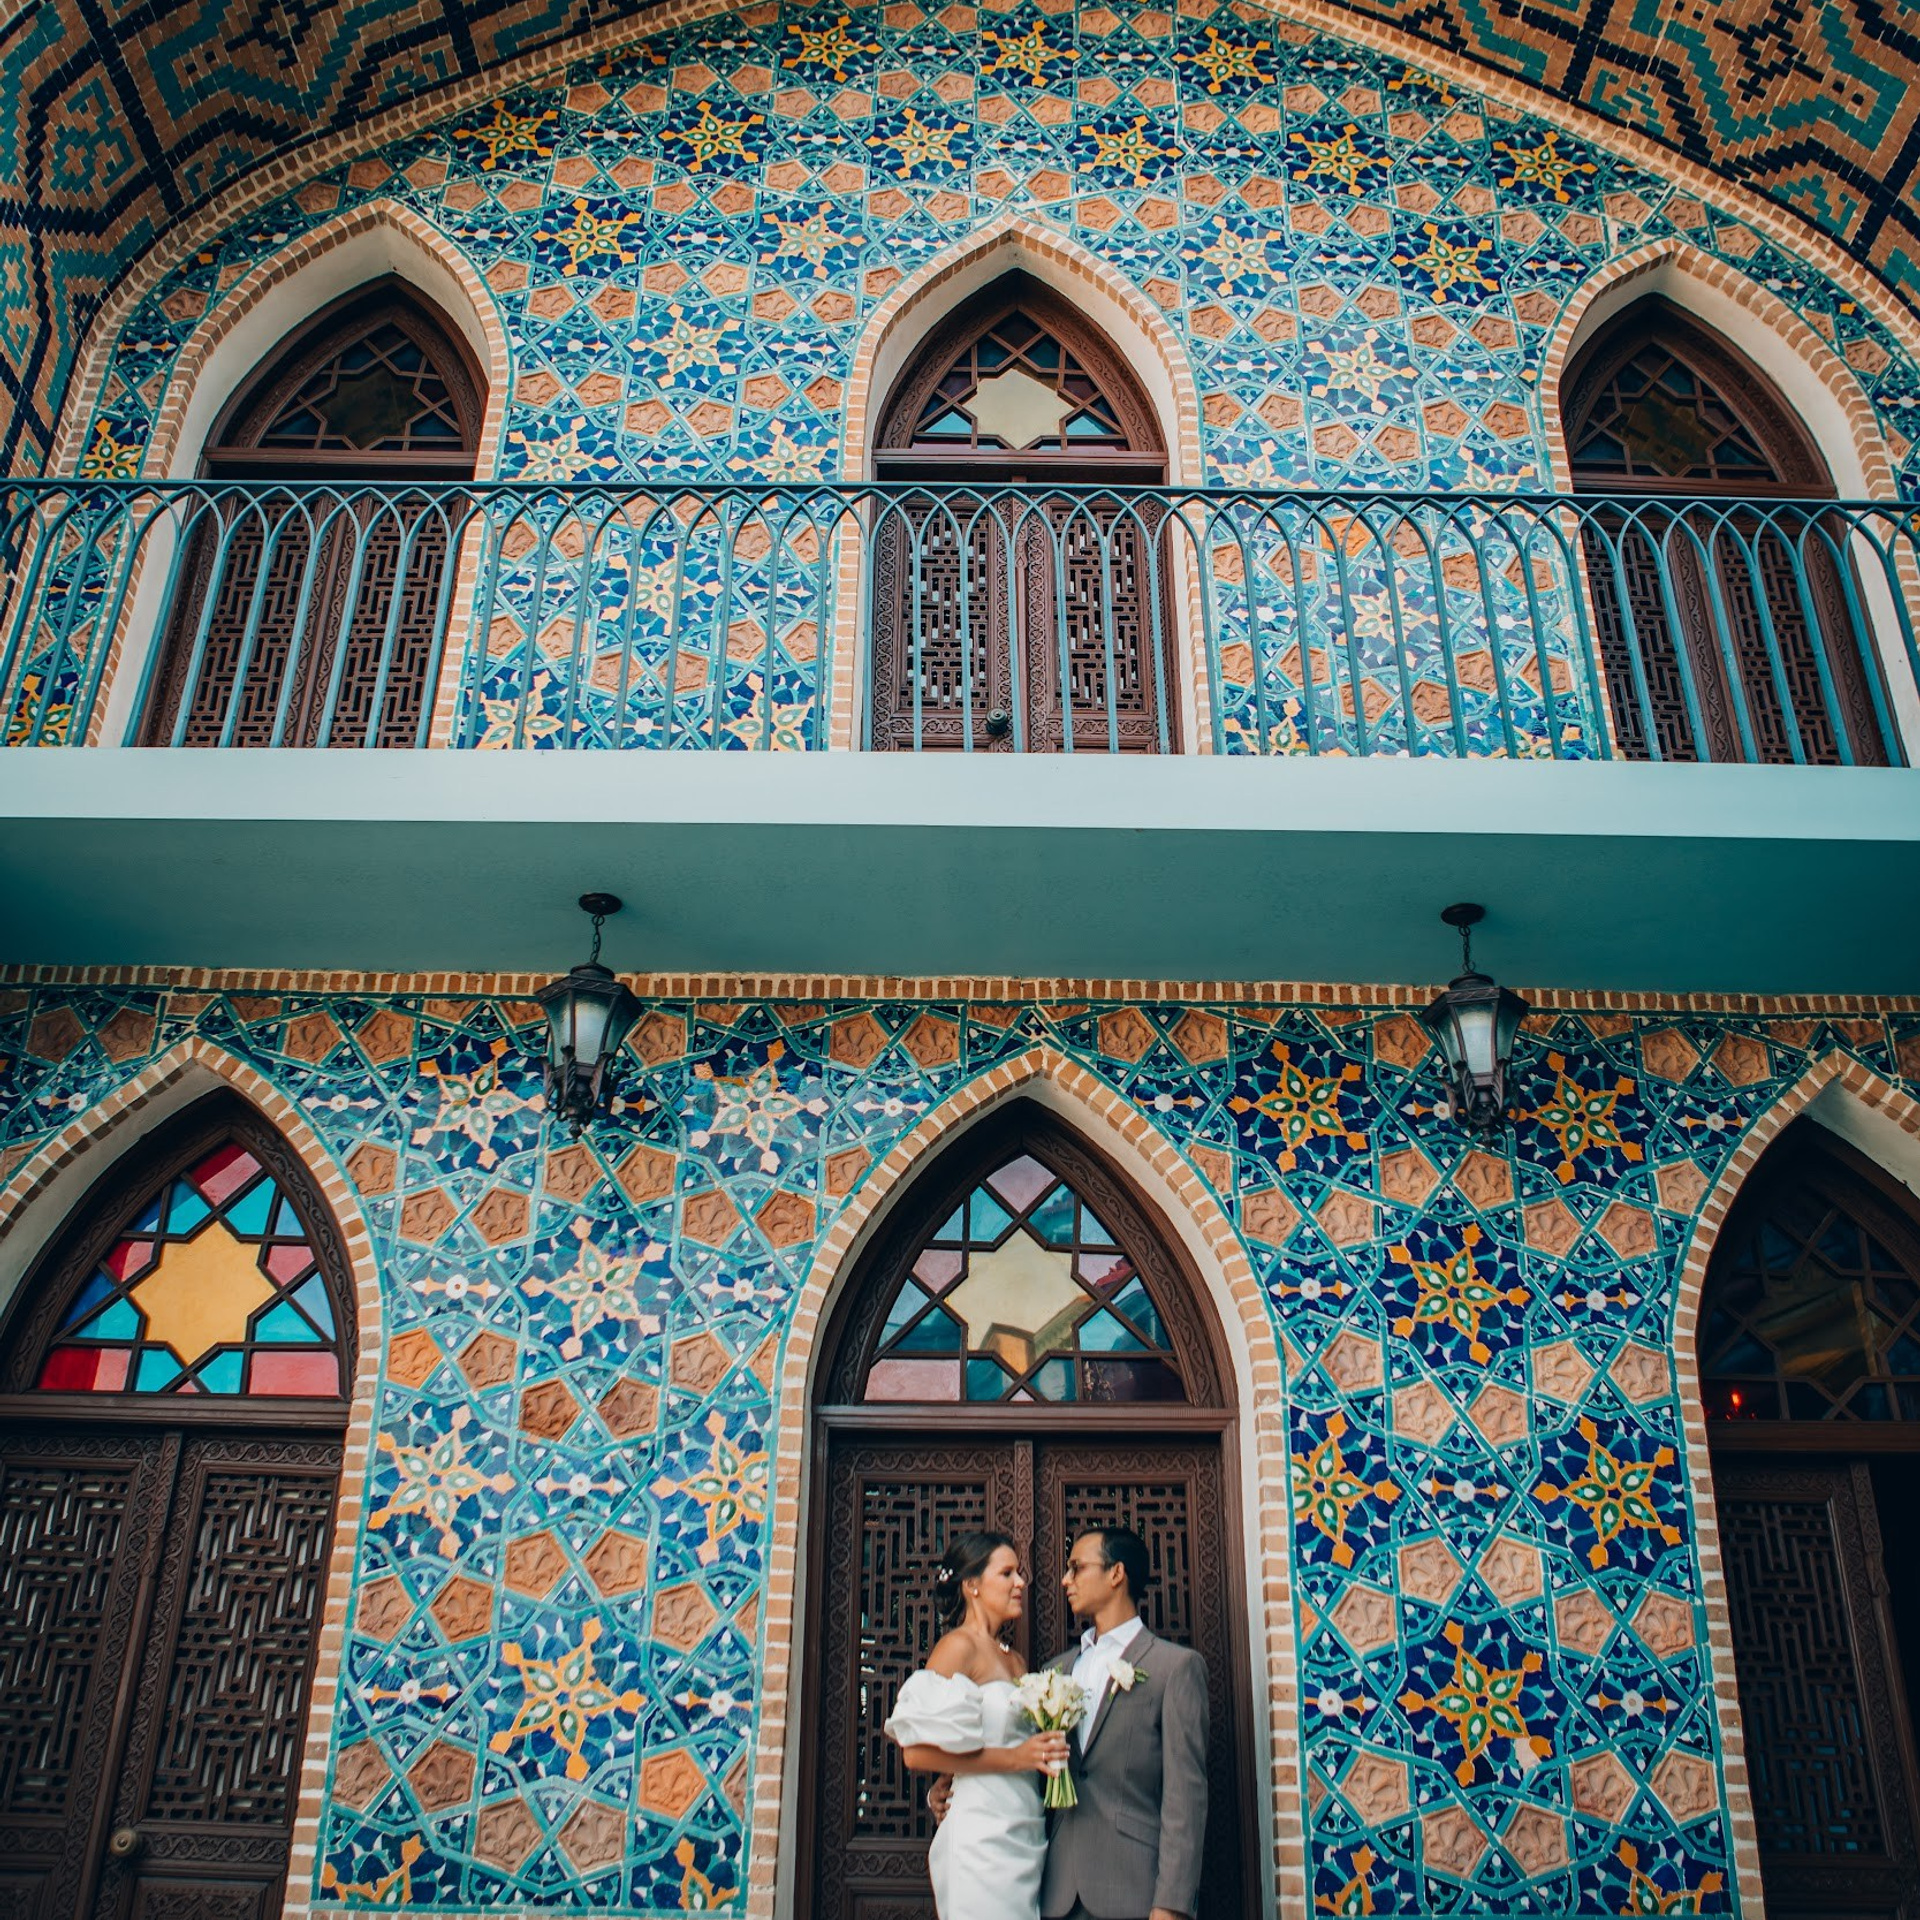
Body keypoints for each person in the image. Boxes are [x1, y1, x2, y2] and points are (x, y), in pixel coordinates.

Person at [883, 1530, 1070, 1919]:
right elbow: (916, 1754)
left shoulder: (1016, 1660)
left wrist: (949, 1775)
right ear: (972, 1586)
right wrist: (1017, 1758)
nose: (1020, 1583)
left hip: (1024, 1827)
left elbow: (970, 1738)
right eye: (1007, 1573)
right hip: (980, 1838)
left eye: (1018, 1573)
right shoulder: (957, 1647)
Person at [1040, 1525, 1208, 1920]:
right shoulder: (1055, 1672)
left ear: (1116, 1573)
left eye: (1077, 1567)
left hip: (1136, 1893)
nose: (1065, 1580)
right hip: (1057, 1895)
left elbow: (1185, 1796)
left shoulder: (1173, 1667)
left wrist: (1171, 1904)